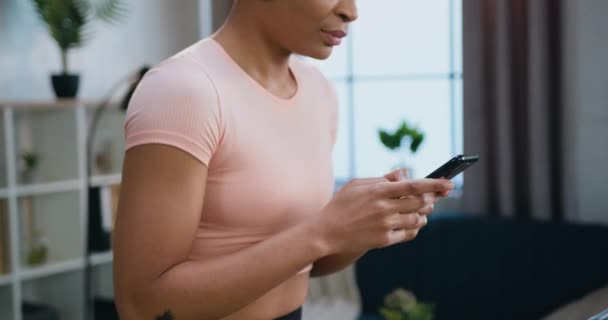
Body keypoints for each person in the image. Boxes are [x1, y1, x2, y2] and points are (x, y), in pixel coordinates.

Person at [112, 1, 454, 320]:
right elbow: (143, 305)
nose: (351, 11)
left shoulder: (318, 91)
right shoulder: (183, 90)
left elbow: (306, 262)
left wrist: (361, 227)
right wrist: (322, 231)